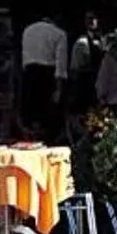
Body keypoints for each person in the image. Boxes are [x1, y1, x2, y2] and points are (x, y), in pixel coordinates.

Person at [18, 11, 68, 141]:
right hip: (47, 76)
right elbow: (60, 66)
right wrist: (58, 89)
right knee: (47, 119)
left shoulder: (28, 30)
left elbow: (24, 58)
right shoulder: (59, 34)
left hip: (29, 73)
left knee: (30, 117)